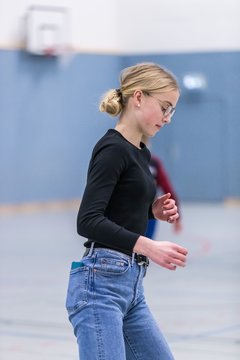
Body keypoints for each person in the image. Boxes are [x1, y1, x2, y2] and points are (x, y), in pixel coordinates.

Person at [65, 62, 188, 360]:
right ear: (138, 97)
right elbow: (89, 220)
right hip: (100, 288)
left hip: (132, 289)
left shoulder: (141, 152)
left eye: (172, 110)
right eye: (165, 107)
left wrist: (151, 211)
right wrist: (148, 244)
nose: (168, 118)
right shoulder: (113, 149)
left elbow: (117, 206)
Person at [143, 140, 182, 239]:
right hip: (145, 209)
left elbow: (167, 188)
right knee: (146, 242)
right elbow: (168, 189)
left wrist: (176, 215)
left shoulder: (154, 163)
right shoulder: (153, 163)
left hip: (149, 209)